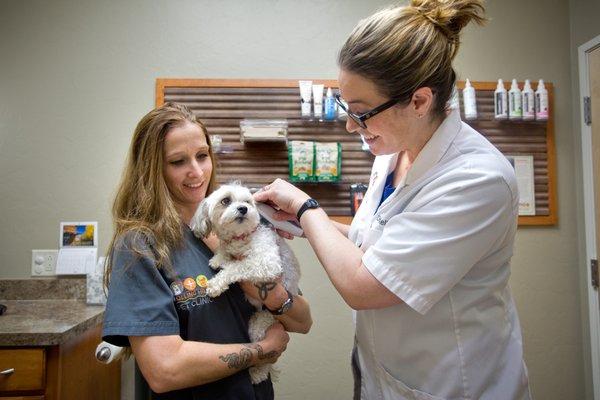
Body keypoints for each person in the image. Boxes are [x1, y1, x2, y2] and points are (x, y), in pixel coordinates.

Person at [254, 1, 531, 399]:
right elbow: (377, 241)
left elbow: (363, 286)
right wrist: (301, 223)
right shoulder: (393, 152)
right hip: (383, 374)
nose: (351, 125)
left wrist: (306, 208)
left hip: (452, 383)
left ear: (419, 101)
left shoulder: (477, 180)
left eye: (362, 112)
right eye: (345, 106)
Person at [102, 102, 312, 400]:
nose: (197, 171)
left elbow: (303, 321)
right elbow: (164, 370)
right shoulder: (140, 244)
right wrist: (261, 350)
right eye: (178, 161)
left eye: (202, 156)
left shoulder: (241, 228)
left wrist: (265, 289)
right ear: (153, 169)